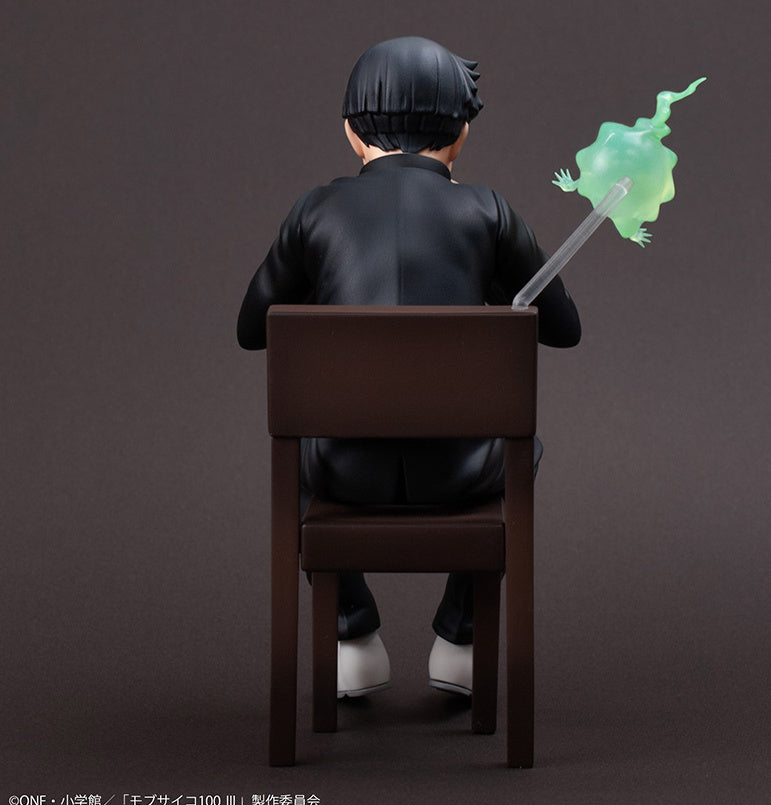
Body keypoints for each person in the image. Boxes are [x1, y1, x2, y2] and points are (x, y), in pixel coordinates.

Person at [237, 36, 581, 699]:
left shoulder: (314, 211)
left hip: (343, 473)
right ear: (461, 134)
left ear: (350, 132)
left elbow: (252, 330)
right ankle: (461, 638)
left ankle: (350, 636)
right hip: (460, 473)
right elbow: (564, 329)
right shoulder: (490, 211)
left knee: (296, 446)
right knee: (525, 449)